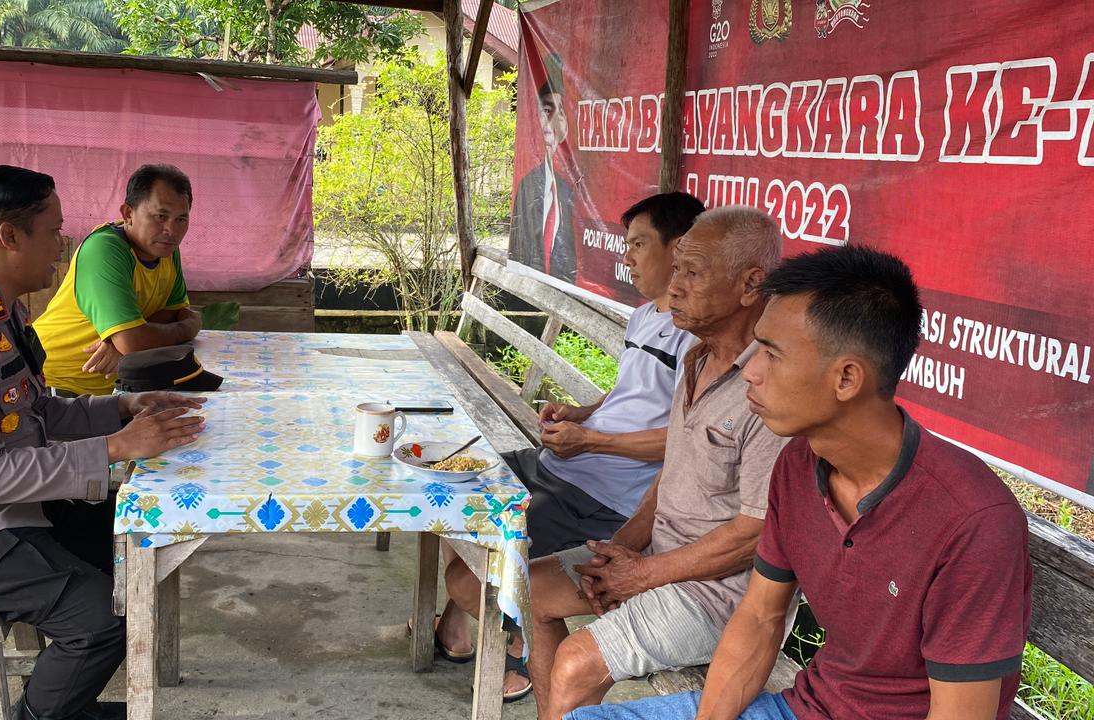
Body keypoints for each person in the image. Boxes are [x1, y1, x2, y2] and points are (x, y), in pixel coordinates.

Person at [568, 246, 1032, 720]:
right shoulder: (797, 464)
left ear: (846, 378)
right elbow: (760, 617)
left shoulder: (971, 521)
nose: (750, 371)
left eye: (771, 353)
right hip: (805, 707)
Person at [0, 165, 207, 720]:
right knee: (102, 618)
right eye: (53, 231)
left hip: (6, 508)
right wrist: (116, 448)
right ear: (10, 236)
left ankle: (63, 705)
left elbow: (37, 411)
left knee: (134, 545)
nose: (62, 245)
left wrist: (122, 409)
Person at [526, 205, 789, 720]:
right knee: (531, 588)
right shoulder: (696, 358)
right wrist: (620, 551)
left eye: (693, 272)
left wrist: (644, 574)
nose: (675, 286)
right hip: (657, 559)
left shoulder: (770, 386)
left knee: (576, 664)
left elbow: (755, 535)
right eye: (677, 269)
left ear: (750, 284)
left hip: (721, 595)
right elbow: (672, 472)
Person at [438, 192, 704, 700]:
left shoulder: (697, 339)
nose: (628, 257)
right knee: (448, 487)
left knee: (467, 582)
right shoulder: (645, 316)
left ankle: (516, 648)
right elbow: (629, 393)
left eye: (639, 244)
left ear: (680, 249)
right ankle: (476, 626)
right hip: (561, 465)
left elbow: (685, 442)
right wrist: (582, 415)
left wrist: (593, 440)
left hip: (601, 498)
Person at [34, 163, 202, 397]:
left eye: (181, 219)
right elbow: (135, 342)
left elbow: (173, 314)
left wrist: (130, 338)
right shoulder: (105, 250)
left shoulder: (165, 250)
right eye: (160, 216)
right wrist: (186, 328)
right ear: (128, 214)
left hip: (114, 387)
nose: (171, 230)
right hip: (56, 383)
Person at [509, 52, 577, 283]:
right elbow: (519, 251)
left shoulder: (566, 190)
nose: (552, 123)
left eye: (560, 112)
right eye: (547, 111)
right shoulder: (528, 185)